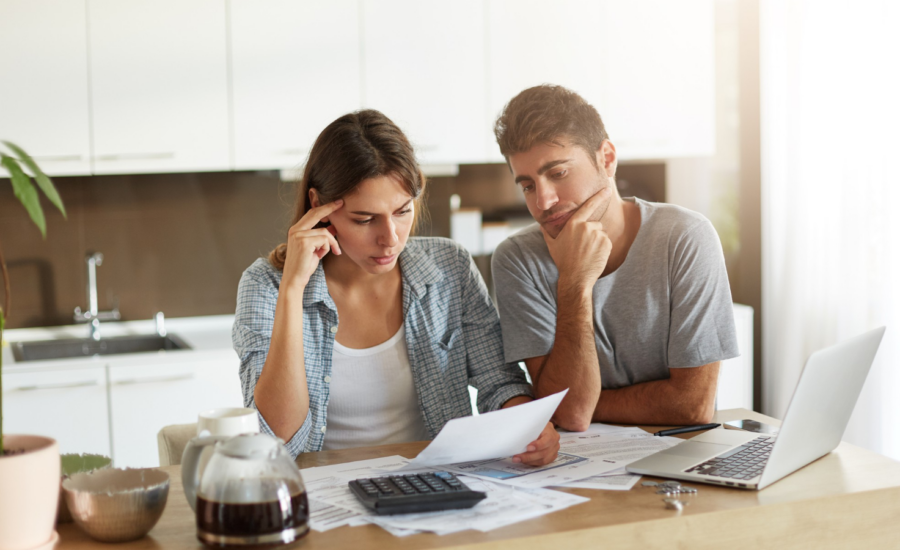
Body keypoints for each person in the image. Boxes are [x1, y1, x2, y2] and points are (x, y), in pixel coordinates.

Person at [233, 109, 559, 464]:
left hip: (434, 480)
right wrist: (293, 289)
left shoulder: (450, 267)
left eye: (402, 212)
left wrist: (528, 427)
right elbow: (276, 437)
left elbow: (499, 383)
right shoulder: (266, 285)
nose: (390, 239)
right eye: (365, 219)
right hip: (323, 488)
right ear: (318, 206)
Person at [491, 85, 740, 432]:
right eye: (528, 186)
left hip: (682, 451)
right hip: (576, 461)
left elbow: (693, 405)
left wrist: (582, 402)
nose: (543, 201)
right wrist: (575, 283)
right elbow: (570, 416)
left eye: (558, 173)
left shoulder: (685, 237)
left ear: (606, 159)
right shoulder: (517, 259)